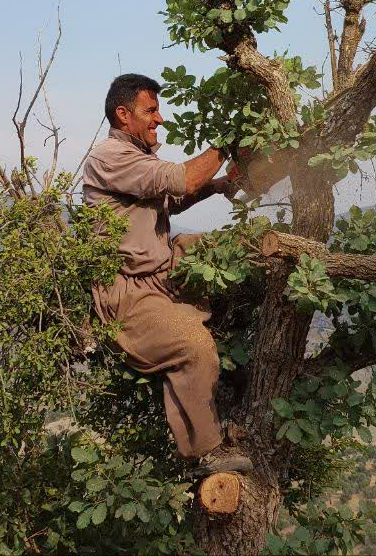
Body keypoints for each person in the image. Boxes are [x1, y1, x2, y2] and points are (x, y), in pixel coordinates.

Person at [83, 73, 254, 476]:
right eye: (151, 110)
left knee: (234, 252)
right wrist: (228, 139)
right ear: (123, 115)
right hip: (129, 293)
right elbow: (181, 179)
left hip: (161, 270)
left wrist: (220, 185)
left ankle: (238, 353)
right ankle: (205, 452)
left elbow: (172, 200)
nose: (160, 119)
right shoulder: (110, 157)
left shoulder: (138, 157)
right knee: (194, 346)